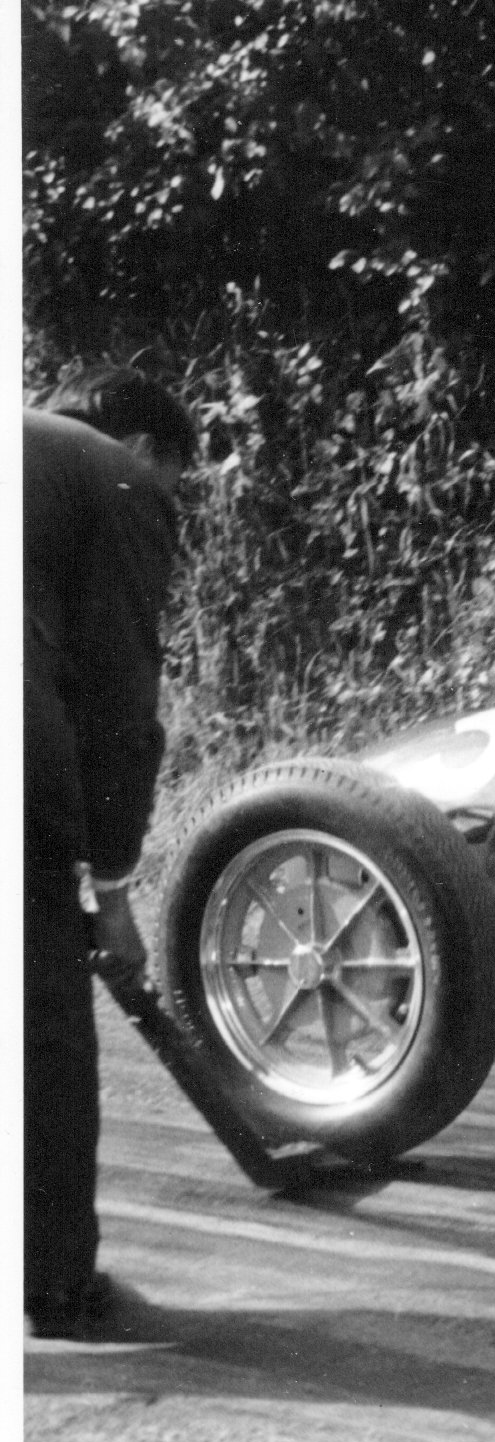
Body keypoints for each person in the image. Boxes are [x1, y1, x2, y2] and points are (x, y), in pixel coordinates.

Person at [24, 365, 196, 1339]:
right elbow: (117, 697)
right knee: (41, 1003)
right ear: (144, 449)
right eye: (174, 478)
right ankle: (50, 1279)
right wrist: (113, 883)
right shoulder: (115, 476)